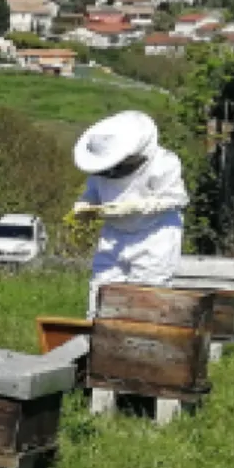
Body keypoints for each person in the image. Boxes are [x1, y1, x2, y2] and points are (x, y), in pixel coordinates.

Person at [72, 109, 188, 316]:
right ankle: (97, 342)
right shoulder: (102, 170)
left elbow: (177, 198)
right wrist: (83, 205)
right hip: (113, 236)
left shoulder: (164, 163)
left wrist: (137, 206)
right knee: (101, 293)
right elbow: (92, 192)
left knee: (147, 301)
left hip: (154, 236)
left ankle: (142, 345)